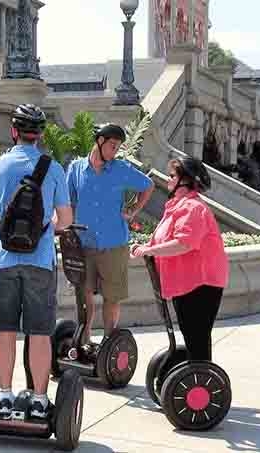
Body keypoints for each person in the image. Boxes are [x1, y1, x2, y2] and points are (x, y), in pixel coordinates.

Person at [0, 104, 73, 419]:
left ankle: (5, 397)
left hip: (4, 259)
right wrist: (43, 228)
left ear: (14, 131)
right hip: (40, 259)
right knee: (39, 332)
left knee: (4, 331)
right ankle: (38, 399)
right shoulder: (54, 168)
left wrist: (10, 227)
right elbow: (65, 219)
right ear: (40, 135)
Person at [130, 156, 229, 361]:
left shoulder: (193, 208)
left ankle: (202, 385)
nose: (168, 179)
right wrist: (146, 247)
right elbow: (166, 239)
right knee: (192, 336)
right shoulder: (177, 206)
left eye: (172, 176)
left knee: (197, 338)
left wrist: (151, 251)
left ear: (186, 180)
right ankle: (195, 377)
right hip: (186, 282)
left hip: (201, 283)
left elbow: (184, 243)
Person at [65, 124, 154, 351]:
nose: (115, 152)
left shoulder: (120, 168)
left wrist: (133, 210)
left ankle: (109, 345)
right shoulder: (75, 169)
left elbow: (148, 185)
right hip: (83, 245)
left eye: (118, 147)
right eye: (112, 146)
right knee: (84, 296)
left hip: (113, 244)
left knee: (111, 297)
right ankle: (83, 342)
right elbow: (68, 203)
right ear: (100, 141)